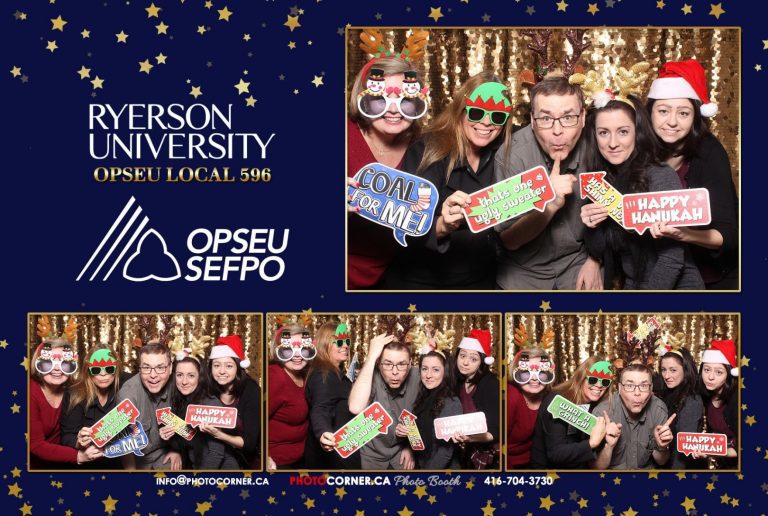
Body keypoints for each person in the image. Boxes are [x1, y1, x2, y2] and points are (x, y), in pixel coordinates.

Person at [382, 73, 513, 289]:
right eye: (477, 112)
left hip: (480, 281)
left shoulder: (503, 151)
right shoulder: (428, 150)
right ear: (460, 111)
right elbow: (405, 224)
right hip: (423, 284)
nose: (487, 122)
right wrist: (444, 224)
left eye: (497, 116)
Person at [578, 80, 704, 289]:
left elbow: (672, 260)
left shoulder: (660, 176)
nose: (612, 143)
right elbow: (600, 250)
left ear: (638, 133)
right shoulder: (600, 182)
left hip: (674, 290)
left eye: (623, 131)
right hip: (634, 286)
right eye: (603, 132)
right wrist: (592, 227)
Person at [493, 74, 603, 290]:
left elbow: (615, 215)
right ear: (532, 122)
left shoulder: (599, 147)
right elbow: (509, 239)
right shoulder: (512, 155)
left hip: (577, 263)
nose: (557, 130)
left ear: (583, 118)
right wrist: (550, 203)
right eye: (545, 119)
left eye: (568, 117)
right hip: (524, 271)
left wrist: (596, 260)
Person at [646, 59, 738, 289]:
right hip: (657, 274)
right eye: (663, 111)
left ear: (696, 117)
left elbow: (728, 235)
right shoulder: (636, 150)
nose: (672, 122)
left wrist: (682, 234)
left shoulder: (709, 152)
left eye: (684, 113)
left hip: (710, 278)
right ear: (650, 113)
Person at [347, 49, 427, 289]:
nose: (393, 110)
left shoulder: (424, 149)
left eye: (405, 101)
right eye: (380, 100)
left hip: (397, 275)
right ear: (362, 100)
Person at [160, 344, 239, 469]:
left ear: (199, 377)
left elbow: (216, 453)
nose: (184, 381)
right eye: (180, 375)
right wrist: (167, 439)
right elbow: (186, 440)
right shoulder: (178, 401)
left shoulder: (210, 404)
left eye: (191, 375)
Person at [348, 333, 420, 469]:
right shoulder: (370, 376)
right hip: (372, 455)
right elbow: (355, 407)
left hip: (400, 453)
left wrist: (409, 446)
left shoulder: (419, 377)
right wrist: (370, 358)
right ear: (379, 364)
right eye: (387, 364)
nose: (394, 372)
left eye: (402, 364)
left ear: (410, 364)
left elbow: (428, 413)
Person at [30, 338, 103, 468]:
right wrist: (79, 456)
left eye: (64, 363)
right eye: (48, 363)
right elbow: (35, 445)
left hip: (64, 465)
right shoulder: (29, 393)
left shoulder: (73, 391)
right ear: (38, 364)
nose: (57, 369)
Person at [530, 358, 613, 469]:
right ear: (581, 378)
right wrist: (592, 443)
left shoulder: (595, 406)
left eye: (605, 382)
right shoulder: (557, 402)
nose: (599, 385)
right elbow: (555, 453)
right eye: (593, 379)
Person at [60, 344, 132, 469]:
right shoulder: (74, 394)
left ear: (116, 370)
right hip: (87, 466)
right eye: (96, 370)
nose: (103, 374)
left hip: (119, 463)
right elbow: (66, 436)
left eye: (109, 369)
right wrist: (79, 442)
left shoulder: (126, 383)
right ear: (88, 371)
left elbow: (148, 376)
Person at [592, 364, 675, 469]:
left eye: (644, 386)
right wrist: (609, 446)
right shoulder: (602, 412)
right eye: (629, 386)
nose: (637, 393)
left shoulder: (658, 409)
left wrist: (661, 446)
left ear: (651, 389)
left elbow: (661, 461)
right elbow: (596, 468)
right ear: (620, 388)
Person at [304, 322, 361, 469]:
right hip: (331, 457)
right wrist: (323, 432)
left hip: (342, 451)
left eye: (347, 342)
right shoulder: (324, 374)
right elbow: (321, 407)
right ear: (325, 344)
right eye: (339, 342)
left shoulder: (335, 373)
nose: (346, 346)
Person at [117, 342, 181, 470]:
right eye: (146, 368)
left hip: (164, 452)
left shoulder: (180, 386)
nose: (153, 375)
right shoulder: (128, 394)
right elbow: (125, 443)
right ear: (139, 369)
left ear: (170, 368)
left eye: (160, 367)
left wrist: (177, 450)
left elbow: (186, 425)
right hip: (137, 457)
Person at [395, 350, 462, 469]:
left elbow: (445, 452)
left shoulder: (451, 402)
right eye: (424, 369)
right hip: (421, 464)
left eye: (435, 370)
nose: (428, 375)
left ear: (445, 372)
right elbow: (420, 436)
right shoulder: (422, 396)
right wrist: (404, 435)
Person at [205, 335, 261, 469]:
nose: (222, 371)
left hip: (246, 461)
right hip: (213, 455)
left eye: (229, 366)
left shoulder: (251, 391)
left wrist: (219, 435)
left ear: (238, 367)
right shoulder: (206, 388)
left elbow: (249, 444)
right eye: (216, 365)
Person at [451, 329, 500, 469]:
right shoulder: (459, 380)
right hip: (467, 451)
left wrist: (470, 438)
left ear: (482, 362)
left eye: (473, 359)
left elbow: (496, 432)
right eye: (462, 356)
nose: (465, 362)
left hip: (490, 457)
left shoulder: (490, 384)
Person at [268, 324, 314, 469]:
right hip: (277, 462)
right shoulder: (274, 377)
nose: (297, 355)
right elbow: (255, 420)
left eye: (303, 349)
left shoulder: (306, 375)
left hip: (301, 457)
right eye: (288, 350)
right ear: (278, 352)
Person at [507, 348, 555, 469]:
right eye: (526, 373)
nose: (534, 379)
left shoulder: (550, 398)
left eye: (542, 373)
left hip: (535, 463)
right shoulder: (510, 395)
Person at [657, 346, 704, 469]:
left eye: (673, 370)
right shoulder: (669, 394)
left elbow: (683, 448)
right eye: (663, 369)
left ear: (685, 370)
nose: (666, 375)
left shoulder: (692, 400)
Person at [697, 339, 738, 468]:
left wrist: (714, 451)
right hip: (723, 464)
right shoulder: (705, 395)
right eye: (707, 370)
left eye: (719, 372)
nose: (710, 377)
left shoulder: (737, 399)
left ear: (728, 374)